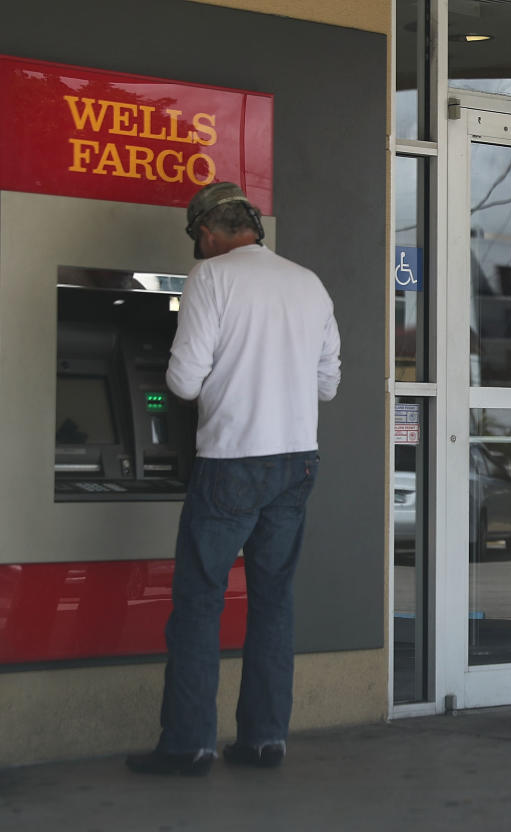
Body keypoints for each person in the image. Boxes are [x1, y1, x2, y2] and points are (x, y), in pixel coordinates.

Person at [127, 182, 341, 775]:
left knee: (200, 602)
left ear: (208, 232)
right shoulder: (309, 283)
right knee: (273, 603)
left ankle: (188, 745)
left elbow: (183, 382)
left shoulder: (211, 278)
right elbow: (328, 383)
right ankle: (265, 740)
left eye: (199, 238)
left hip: (231, 462)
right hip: (297, 460)